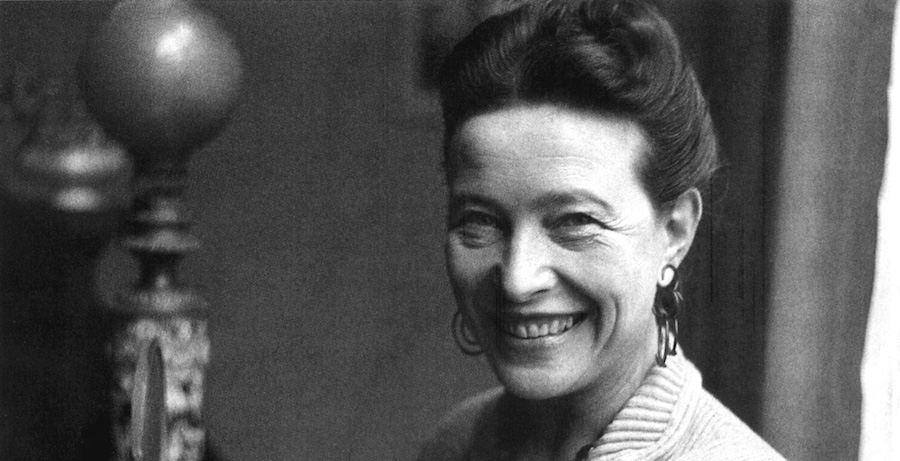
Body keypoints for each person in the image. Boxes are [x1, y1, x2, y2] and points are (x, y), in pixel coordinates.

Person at [418, 0, 786, 460]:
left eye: (576, 221)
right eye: (480, 220)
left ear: (674, 232)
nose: (517, 280)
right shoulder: (458, 443)